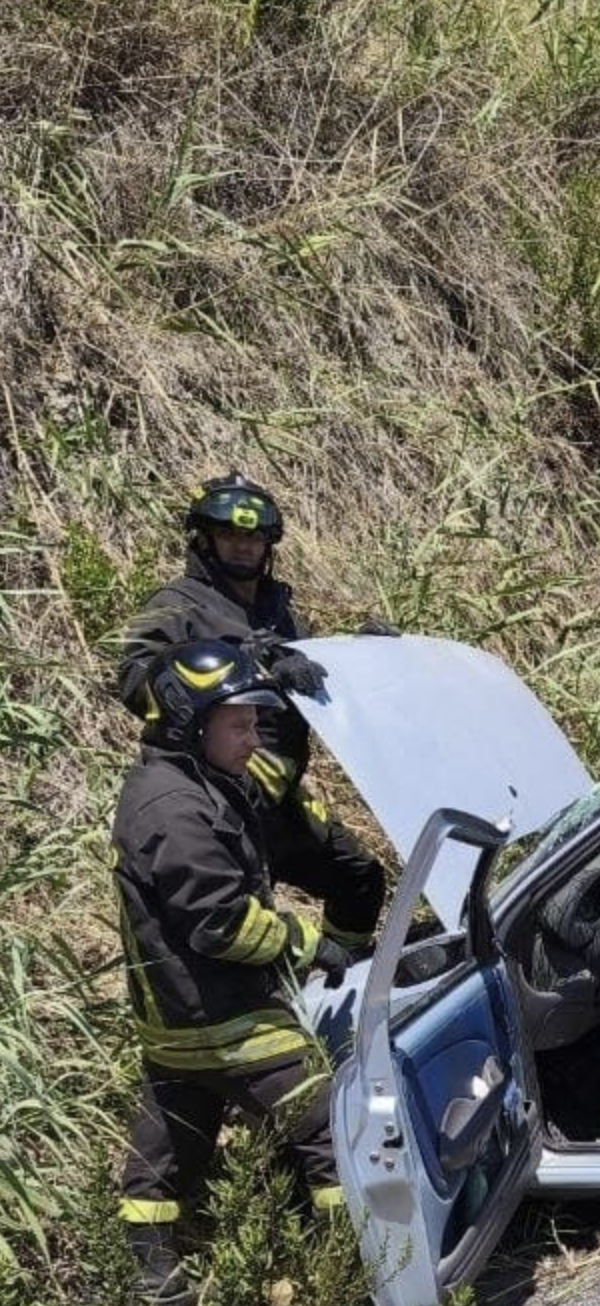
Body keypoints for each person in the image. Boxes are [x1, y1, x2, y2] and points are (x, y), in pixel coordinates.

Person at [113, 641, 360, 1305]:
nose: (254, 738)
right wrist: (310, 944)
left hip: (180, 1024)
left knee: (161, 1169)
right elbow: (221, 923)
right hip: (229, 1023)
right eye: (242, 725)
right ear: (193, 722)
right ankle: (351, 1278)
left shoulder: (190, 781)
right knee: (331, 1134)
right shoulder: (174, 811)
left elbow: (274, 780)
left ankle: (157, 1289)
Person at [116, 473, 387, 957]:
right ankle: (286, 991)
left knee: (359, 877)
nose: (244, 547)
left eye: (255, 537)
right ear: (204, 539)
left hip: (279, 796)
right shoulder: (175, 606)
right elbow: (135, 681)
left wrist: (361, 653)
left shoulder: (277, 607)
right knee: (241, 913)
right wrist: (239, 665)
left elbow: (306, 669)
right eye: (230, 535)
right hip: (215, 795)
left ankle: (348, 980)